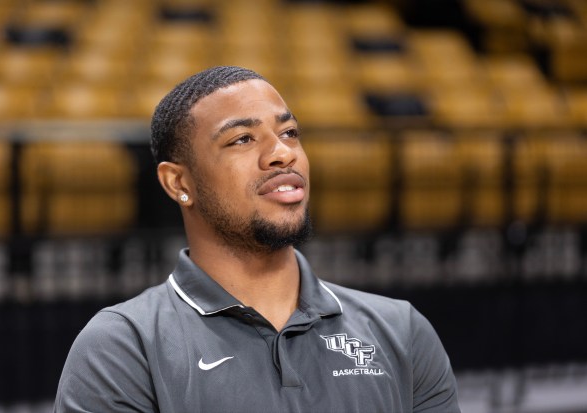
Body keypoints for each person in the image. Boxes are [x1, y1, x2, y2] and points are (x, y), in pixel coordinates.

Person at [54, 66, 460, 412]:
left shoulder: (401, 330)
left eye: (290, 132)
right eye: (242, 139)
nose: (282, 152)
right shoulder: (122, 346)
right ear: (179, 182)